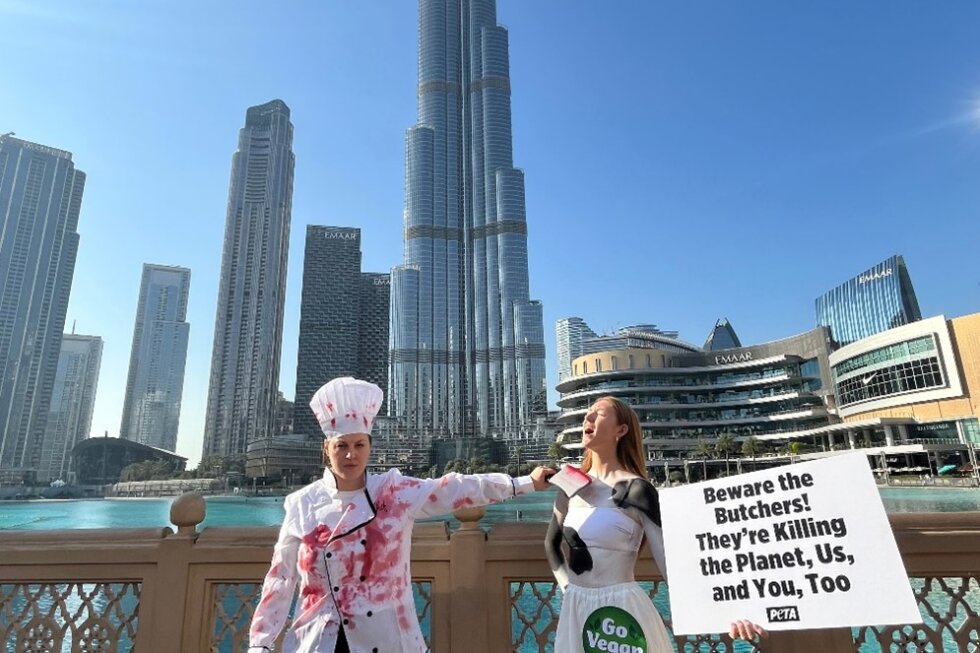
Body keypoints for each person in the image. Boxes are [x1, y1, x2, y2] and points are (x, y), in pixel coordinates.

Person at [248, 377, 555, 653]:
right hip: (315, 641)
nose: (350, 454)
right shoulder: (301, 503)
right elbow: (281, 578)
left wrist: (522, 483)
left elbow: (454, 487)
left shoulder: (392, 491)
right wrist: (260, 644)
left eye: (359, 445)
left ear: (370, 447)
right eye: (341, 445)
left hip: (386, 640)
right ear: (327, 448)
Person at [545, 396, 765, 651]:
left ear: (621, 430)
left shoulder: (638, 489)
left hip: (621, 613)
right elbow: (551, 544)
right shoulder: (569, 484)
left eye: (599, 413)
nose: (588, 417)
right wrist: (569, 589)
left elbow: (670, 565)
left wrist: (729, 614)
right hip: (576, 609)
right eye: (587, 413)